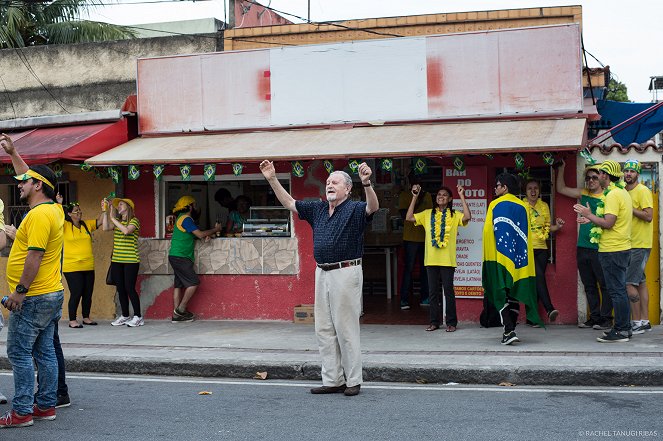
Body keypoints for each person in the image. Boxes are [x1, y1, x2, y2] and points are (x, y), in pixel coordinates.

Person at [259, 159, 378, 397]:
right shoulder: (319, 209)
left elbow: (372, 207)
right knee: (323, 328)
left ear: (347, 188)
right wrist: (272, 178)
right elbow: (290, 203)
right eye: (327, 182)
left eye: (335, 182)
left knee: (346, 328)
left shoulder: (355, 209)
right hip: (322, 271)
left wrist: (367, 184)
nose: (329, 185)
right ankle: (333, 379)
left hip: (346, 271)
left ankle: (353, 380)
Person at [0, 133, 65, 428]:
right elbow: (28, 174)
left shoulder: (39, 216)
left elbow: (33, 258)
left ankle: (23, 411)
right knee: (45, 352)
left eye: (25, 182)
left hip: (34, 296)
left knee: (18, 352)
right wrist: (13, 152)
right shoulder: (53, 208)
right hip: (50, 293)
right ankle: (46, 406)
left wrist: (19, 292)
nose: (20, 183)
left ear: (38, 185)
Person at [574, 160, 632, 343]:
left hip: (613, 250)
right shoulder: (621, 192)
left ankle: (622, 330)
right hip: (619, 248)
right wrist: (591, 220)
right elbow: (608, 219)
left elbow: (609, 223)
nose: (597, 176)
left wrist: (588, 215)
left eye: (599, 173)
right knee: (618, 290)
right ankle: (624, 328)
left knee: (616, 291)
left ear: (605, 175)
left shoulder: (614, 195)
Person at [482, 173, 541, 345]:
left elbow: (487, 232)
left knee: (500, 292)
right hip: (518, 259)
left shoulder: (495, 204)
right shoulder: (522, 206)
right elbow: (526, 233)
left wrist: (488, 258)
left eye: (497, 185)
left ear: (505, 187)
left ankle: (508, 330)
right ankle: (511, 329)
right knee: (514, 293)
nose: (495, 188)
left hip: (499, 257)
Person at [556, 160, 612, 329]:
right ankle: (594, 317)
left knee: (604, 284)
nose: (591, 181)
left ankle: (606, 318)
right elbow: (561, 189)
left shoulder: (609, 196)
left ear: (602, 178)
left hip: (601, 248)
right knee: (589, 285)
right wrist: (562, 168)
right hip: (583, 247)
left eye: (594, 177)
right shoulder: (584, 193)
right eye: (588, 178)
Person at [407, 184, 470, 332]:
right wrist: (415, 196)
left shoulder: (454, 215)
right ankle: (434, 322)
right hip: (431, 260)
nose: (440, 196)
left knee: (448, 291)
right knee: (432, 292)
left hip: (447, 260)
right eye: (439, 195)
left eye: (444, 195)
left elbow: (467, 217)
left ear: (449, 199)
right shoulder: (428, 213)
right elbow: (409, 217)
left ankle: (451, 323)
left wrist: (461, 195)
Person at [169, 195, 222, 322]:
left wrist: (205, 236)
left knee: (178, 285)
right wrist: (216, 229)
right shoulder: (187, 219)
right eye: (195, 204)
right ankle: (181, 309)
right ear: (190, 207)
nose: (197, 207)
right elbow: (199, 233)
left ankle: (176, 316)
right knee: (193, 282)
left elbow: (192, 236)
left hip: (175, 255)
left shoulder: (180, 219)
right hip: (181, 256)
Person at [56, 196, 104, 328]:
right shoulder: (65, 225)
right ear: (69, 213)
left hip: (88, 265)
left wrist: (105, 210)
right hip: (71, 266)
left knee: (87, 293)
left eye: (80, 211)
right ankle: (72, 320)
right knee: (76, 292)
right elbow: (58, 218)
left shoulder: (86, 225)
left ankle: (86, 317)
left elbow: (100, 221)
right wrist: (59, 204)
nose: (79, 213)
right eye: (76, 211)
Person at [523, 179, 563, 325]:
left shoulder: (544, 206)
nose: (533, 191)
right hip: (527, 249)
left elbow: (547, 228)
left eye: (535, 188)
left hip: (542, 249)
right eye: (529, 188)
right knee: (538, 277)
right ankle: (549, 308)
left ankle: (531, 318)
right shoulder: (521, 206)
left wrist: (556, 227)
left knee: (535, 282)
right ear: (525, 191)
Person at [622, 160, 654, 335]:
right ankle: (645, 320)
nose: (628, 174)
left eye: (632, 171)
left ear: (637, 174)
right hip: (630, 243)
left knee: (628, 283)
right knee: (640, 282)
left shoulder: (642, 191)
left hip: (640, 244)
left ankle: (636, 323)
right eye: (626, 171)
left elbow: (649, 216)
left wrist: (630, 208)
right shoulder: (625, 191)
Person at [103, 197, 143, 327]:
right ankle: (125, 315)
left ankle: (138, 317)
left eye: (121, 204)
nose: (118, 207)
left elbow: (126, 231)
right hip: (117, 261)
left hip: (131, 260)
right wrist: (105, 212)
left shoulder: (134, 221)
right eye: (117, 205)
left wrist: (113, 217)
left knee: (129, 288)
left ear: (128, 207)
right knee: (121, 289)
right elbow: (105, 228)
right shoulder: (118, 222)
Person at [397, 175, 432, 310]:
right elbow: (404, 215)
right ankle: (404, 299)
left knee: (425, 269)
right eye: (414, 181)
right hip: (410, 238)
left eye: (419, 181)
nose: (417, 184)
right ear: (410, 183)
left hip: (424, 237)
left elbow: (429, 213)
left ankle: (425, 297)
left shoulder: (427, 195)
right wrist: (415, 197)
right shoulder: (404, 195)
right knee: (408, 269)